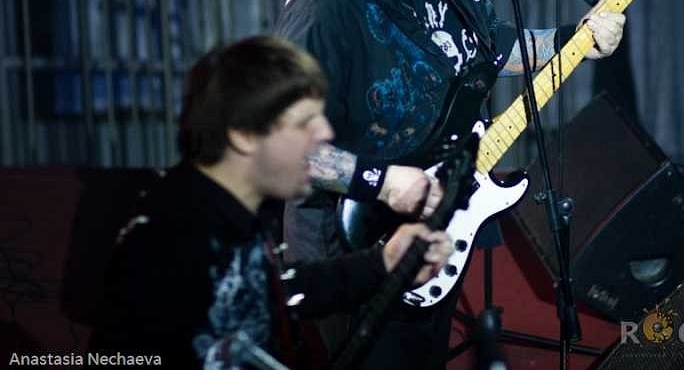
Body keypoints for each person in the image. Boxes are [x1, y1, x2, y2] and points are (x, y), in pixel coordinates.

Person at [274, 0, 626, 369]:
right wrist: (384, 182)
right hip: (354, 249)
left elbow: (492, 48)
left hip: (436, 224)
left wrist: (575, 38)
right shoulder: (325, 8)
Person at [89, 36, 453, 369]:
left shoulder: (232, 214)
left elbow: (274, 291)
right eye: (304, 123)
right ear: (243, 135)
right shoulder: (169, 240)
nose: (326, 134)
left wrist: (382, 263)